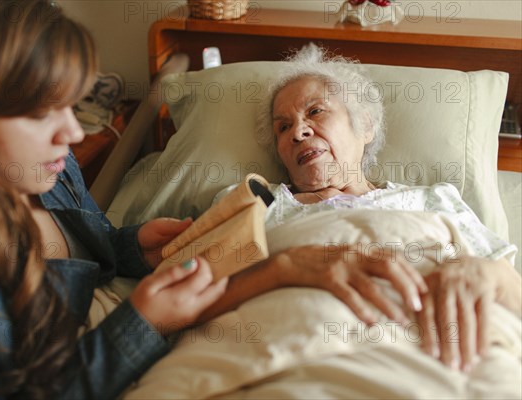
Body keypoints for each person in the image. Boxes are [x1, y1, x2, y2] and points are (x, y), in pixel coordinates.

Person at [0, 1, 226, 398]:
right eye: (41, 112)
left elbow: (91, 247)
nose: (74, 133)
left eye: (69, 103)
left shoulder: (53, 169)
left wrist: (133, 247)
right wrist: (142, 328)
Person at [201, 44, 522, 373]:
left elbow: (515, 295)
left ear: (365, 125)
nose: (298, 132)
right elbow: (192, 303)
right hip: (294, 359)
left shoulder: (433, 201)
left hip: (436, 355)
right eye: (283, 127)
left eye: (315, 111)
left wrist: (485, 272)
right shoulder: (252, 201)